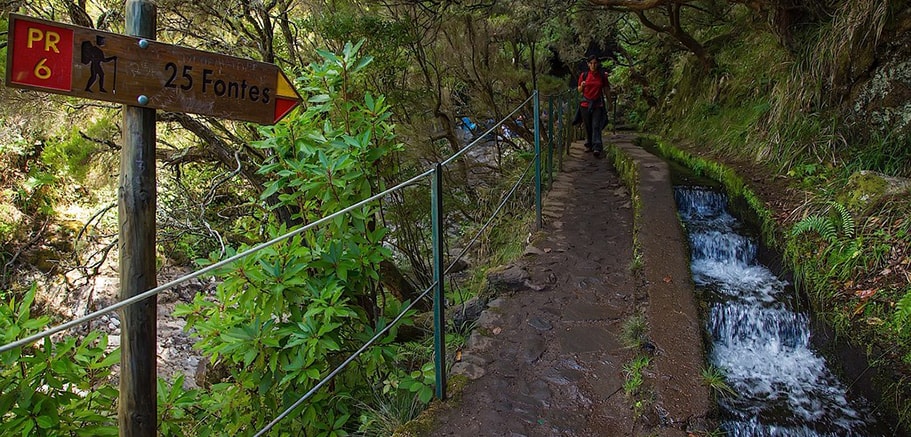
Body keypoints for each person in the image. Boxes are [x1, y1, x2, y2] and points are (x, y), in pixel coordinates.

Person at [577, 55, 610, 157]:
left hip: (597, 104)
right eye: (591, 63)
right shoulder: (584, 75)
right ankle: (589, 144)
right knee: (587, 126)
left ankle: (597, 147)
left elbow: (606, 89)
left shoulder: (602, 76)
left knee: (596, 125)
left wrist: (610, 102)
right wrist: (582, 86)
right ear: (588, 64)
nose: (593, 65)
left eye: (595, 63)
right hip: (585, 104)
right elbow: (579, 90)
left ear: (598, 64)